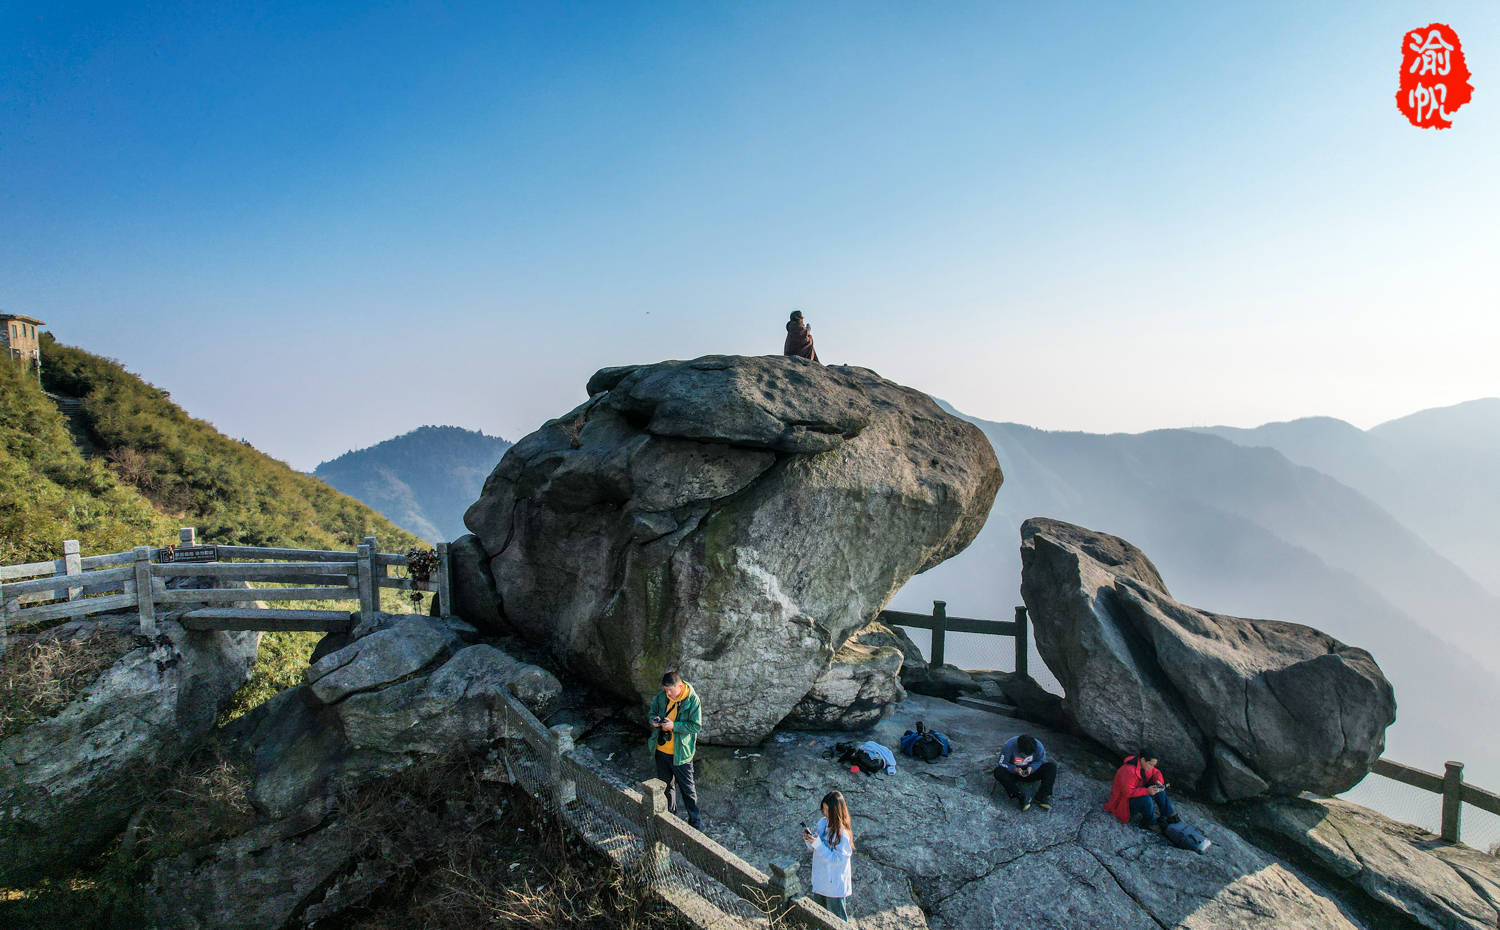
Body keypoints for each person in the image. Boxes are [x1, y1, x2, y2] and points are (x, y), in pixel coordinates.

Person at [647, 671, 703, 828]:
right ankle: (669, 817)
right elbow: (652, 713)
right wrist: (654, 721)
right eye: (666, 690)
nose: (668, 693)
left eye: (670, 690)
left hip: (681, 754)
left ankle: (695, 823)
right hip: (662, 750)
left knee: (687, 789)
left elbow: (696, 726)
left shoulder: (692, 700)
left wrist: (674, 726)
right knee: (665, 786)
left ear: (680, 686)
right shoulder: (661, 697)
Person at [803, 790, 854, 921]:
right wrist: (809, 840)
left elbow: (837, 859)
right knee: (819, 918)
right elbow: (816, 848)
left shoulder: (843, 834)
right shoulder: (822, 823)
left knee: (838, 921)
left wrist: (818, 844)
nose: (825, 813)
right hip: (820, 881)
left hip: (834, 886)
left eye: (828, 810)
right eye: (823, 810)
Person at [1105, 748, 1180, 831]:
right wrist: (1147, 791)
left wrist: (1159, 781)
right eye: (1151, 764)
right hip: (1122, 803)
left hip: (1136, 793)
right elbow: (1127, 793)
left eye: (1153, 765)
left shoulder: (1144, 765)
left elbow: (1155, 772)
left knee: (1159, 790)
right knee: (1146, 800)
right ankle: (1148, 823)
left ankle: (1168, 813)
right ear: (1143, 760)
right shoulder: (1128, 771)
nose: (1152, 767)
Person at [992, 733, 1057, 811]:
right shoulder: (1009, 746)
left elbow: (1040, 760)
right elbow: (1002, 763)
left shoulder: (1038, 746)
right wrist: (1015, 769)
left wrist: (1031, 768)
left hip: (1031, 772)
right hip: (1014, 773)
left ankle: (1042, 795)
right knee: (998, 772)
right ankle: (1020, 796)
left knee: (1051, 767)